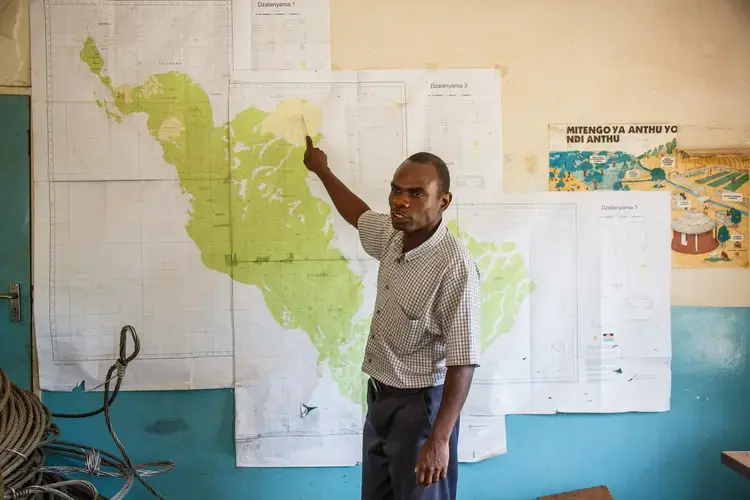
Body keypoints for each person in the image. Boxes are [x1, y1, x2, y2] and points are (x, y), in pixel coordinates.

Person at [302, 136, 481, 500]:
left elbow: (463, 362)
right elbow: (358, 214)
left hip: (422, 409)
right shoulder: (393, 235)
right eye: (396, 190)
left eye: (416, 193)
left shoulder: (454, 266)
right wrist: (322, 170)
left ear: (443, 202)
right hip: (381, 397)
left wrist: (439, 439)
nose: (401, 201)